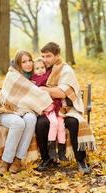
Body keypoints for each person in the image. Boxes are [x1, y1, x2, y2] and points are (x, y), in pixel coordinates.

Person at [0, 50, 53, 174]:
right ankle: (6, 161)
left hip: (27, 110)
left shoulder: (35, 77)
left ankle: (17, 160)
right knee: (18, 123)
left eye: (30, 60)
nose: (28, 64)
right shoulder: (12, 76)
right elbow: (7, 99)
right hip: (7, 111)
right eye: (24, 61)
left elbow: (35, 97)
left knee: (31, 119)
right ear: (18, 64)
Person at [35, 42, 96, 174]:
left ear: (57, 56)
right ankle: (47, 159)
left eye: (48, 56)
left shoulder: (65, 69)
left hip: (66, 108)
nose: (45, 60)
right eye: (43, 56)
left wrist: (44, 89)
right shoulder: (43, 68)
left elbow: (62, 93)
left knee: (74, 122)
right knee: (41, 123)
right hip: (48, 108)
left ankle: (81, 160)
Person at [31, 58, 66, 160]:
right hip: (47, 108)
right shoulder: (34, 81)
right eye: (37, 68)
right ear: (33, 71)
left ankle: (61, 150)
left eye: (42, 67)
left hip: (57, 106)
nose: (40, 70)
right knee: (54, 123)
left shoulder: (50, 77)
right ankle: (51, 148)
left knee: (61, 125)